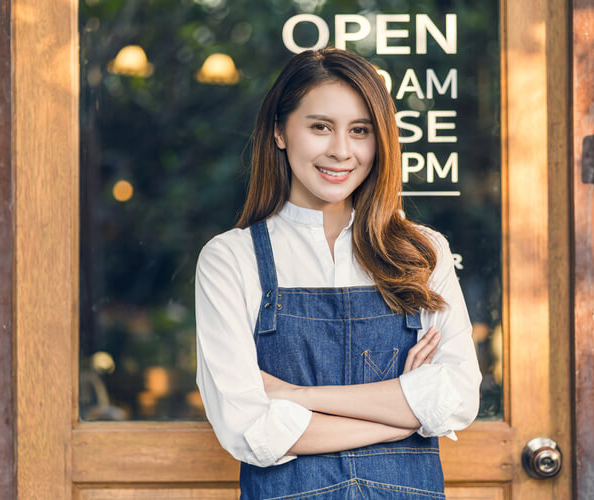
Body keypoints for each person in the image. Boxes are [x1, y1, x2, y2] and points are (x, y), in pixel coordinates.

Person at [194, 46, 482, 499]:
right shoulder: (231, 260)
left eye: (360, 130)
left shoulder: (423, 253)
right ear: (280, 132)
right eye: (320, 127)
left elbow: (458, 400)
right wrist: (402, 413)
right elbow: (250, 428)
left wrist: (298, 397)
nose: (342, 151)